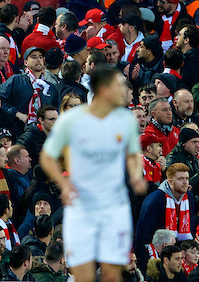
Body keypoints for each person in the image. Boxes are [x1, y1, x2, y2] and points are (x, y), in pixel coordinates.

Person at [39, 67, 144, 282]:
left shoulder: (125, 119)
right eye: (120, 85)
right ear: (105, 90)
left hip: (114, 203)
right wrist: (64, 184)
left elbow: (133, 154)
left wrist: (135, 175)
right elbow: (47, 158)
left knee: (114, 273)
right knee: (83, 274)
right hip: (82, 205)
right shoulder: (71, 120)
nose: (125, 90)